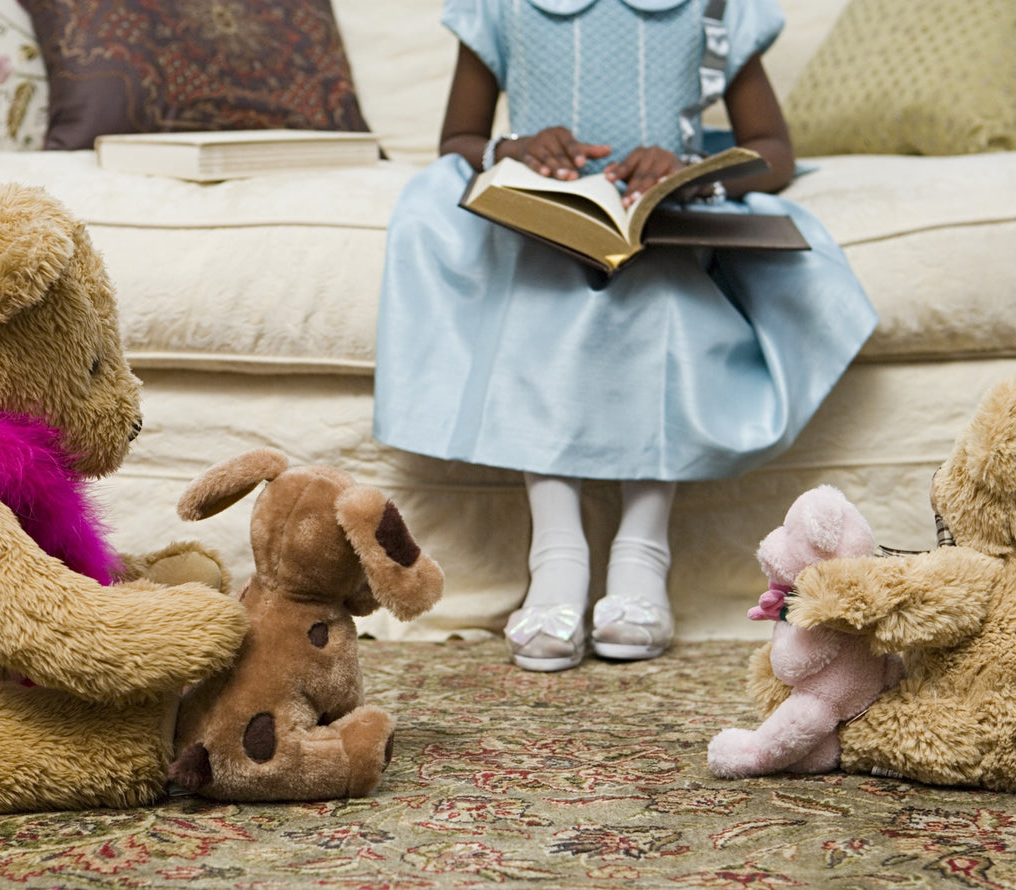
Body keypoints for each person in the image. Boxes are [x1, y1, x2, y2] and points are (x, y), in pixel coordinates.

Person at [372, 0, 877, 672]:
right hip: (545, 227)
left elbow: (774, 150)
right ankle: (556, 554)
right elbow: (459, 139)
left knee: (659, 298)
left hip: (663, 227)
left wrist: (695, 171)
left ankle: (643, 552)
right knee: (542, 293)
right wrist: (511, 150)